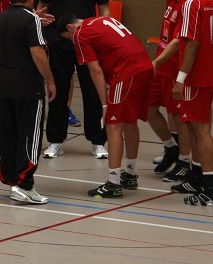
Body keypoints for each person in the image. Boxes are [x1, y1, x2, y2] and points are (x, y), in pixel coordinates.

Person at [59, 14, 154, 199]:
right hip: (145, 65)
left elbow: (95, 70)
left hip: (127, 70)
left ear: (70, 28)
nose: (72, 42)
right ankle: (130, 174)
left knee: (113, 125)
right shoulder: (103, 19)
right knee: (129, 122)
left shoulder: (79, 33)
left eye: (68, 38)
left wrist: (104, 104)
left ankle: (113, 183)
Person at [37, 0, 111, 159]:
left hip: (87, 46)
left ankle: (98, 141)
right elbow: (42, 6)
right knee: (57, 93)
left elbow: (105, 9)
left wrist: (103, 31)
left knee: (92, 92)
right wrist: (42, 24)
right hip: (59, 45)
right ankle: (56, 141)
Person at [0, 0, 56, 204]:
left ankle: (13, 181)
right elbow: (37, 52)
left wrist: (10, 63)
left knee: (9, 135)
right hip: (29, 88)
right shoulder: (32, 19)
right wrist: (50, 80)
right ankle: (25, 185)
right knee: (30, 135)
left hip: (5, 86)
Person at [170, 0, 213, 206]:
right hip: (208, 73)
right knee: (193, 127)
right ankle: (200, 179)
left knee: (201, 131)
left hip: (196, 76)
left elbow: (192, 43)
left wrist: (181, 78)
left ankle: (211, 190)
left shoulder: (193, 4)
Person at [24, 0, 82, 129]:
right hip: (40, 30)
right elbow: (29, 2)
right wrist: (35, 22)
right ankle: (38, 107)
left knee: (66, 75)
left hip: (63, 35)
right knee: (39, 71)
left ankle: (65, 110)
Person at [144, 0, 194, 178]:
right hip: (160, 66)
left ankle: (184, 162)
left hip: (173, 68)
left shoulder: (188, 6)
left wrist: (156, 63)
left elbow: (177, 43)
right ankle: (170, 147)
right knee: (148, 108)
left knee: (178, 116)